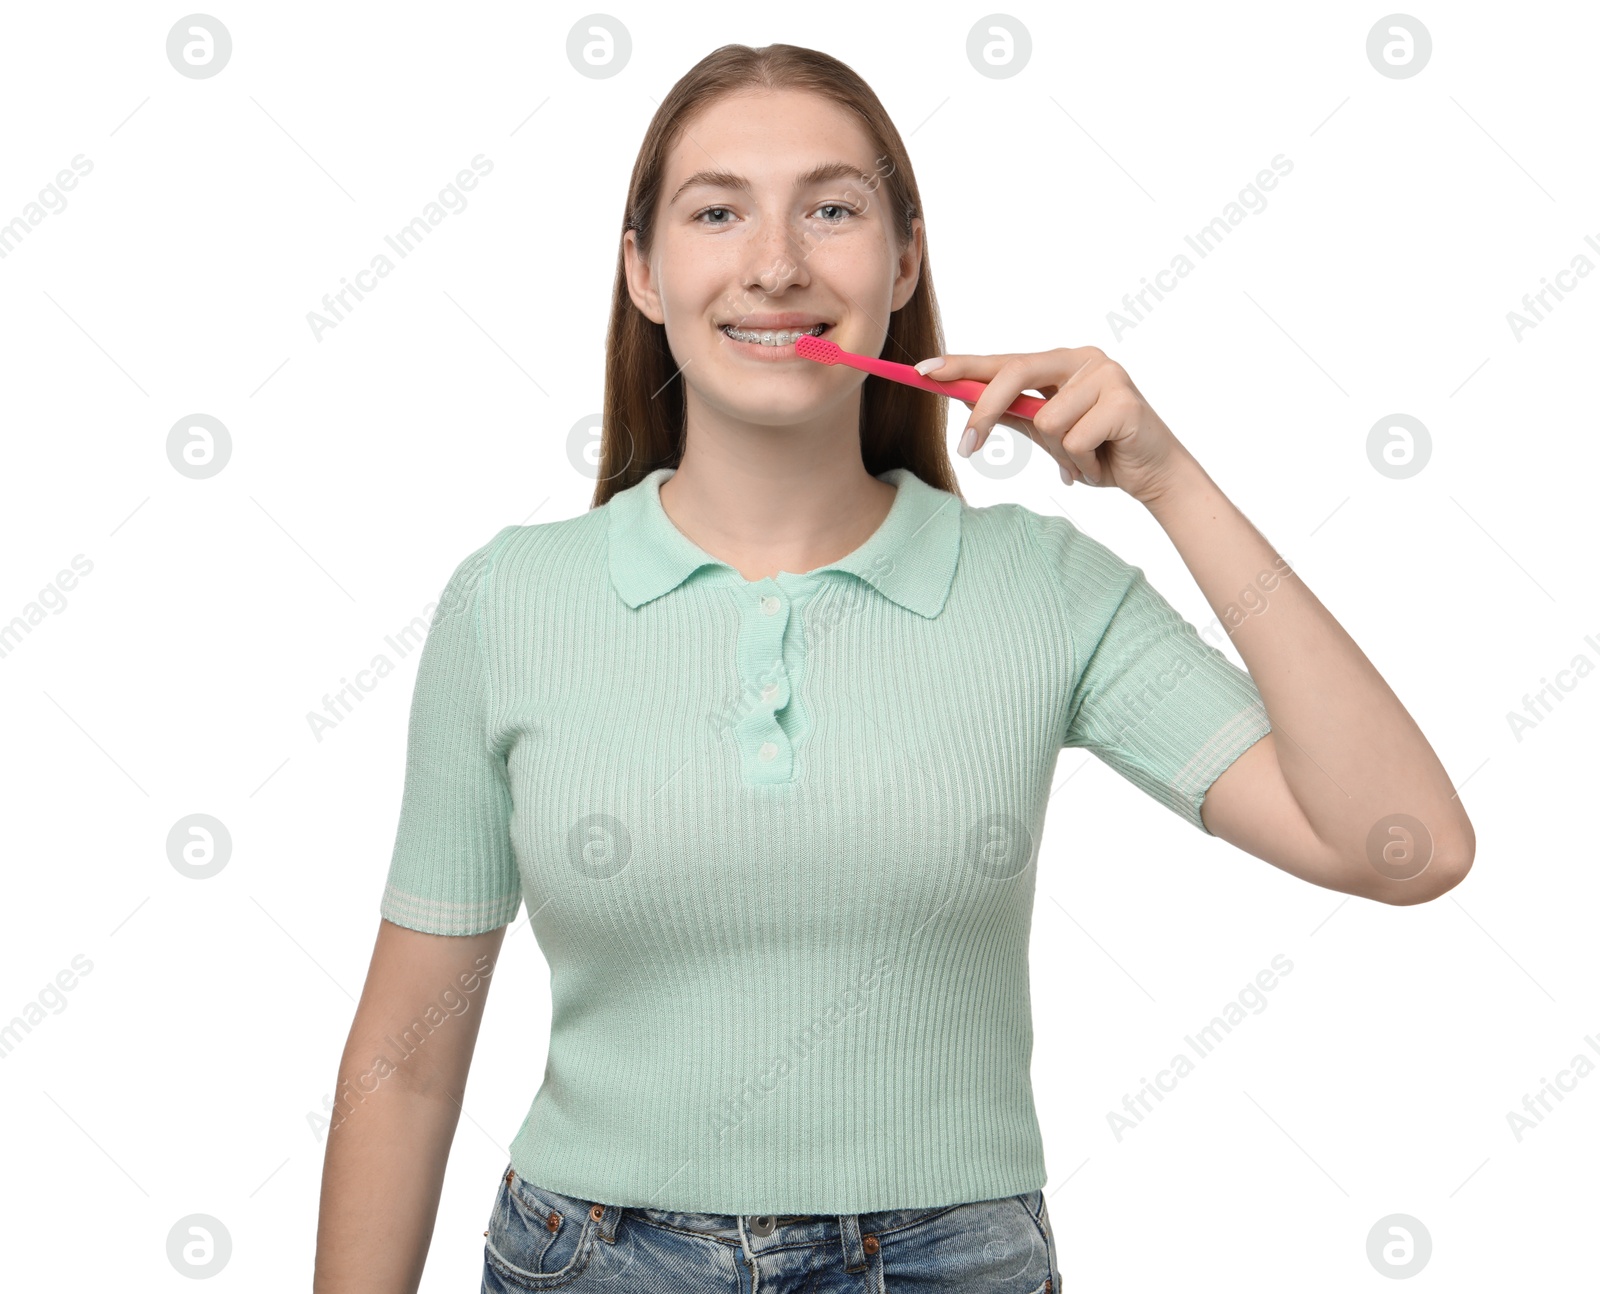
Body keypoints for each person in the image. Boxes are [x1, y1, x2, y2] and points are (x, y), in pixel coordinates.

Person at [313, 43, 1475, 1294]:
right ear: (644, 272)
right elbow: (408, 1058)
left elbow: (1403, 845)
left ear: (903, 261)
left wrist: (1167, 481)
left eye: (831, 208)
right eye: (717, 212)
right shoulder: (511, 602)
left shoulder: (1041, 590)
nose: (774, 263)